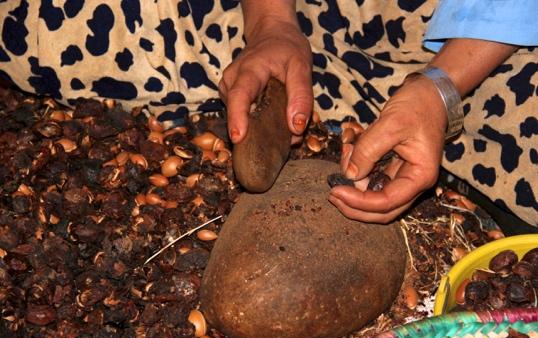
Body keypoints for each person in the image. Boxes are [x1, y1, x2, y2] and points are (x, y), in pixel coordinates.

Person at [1, 0, 536, 231]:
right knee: (24, 34)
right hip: (298, 13)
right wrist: (272, 24)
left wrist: (441, 88)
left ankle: (398, 104)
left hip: (486, 37)